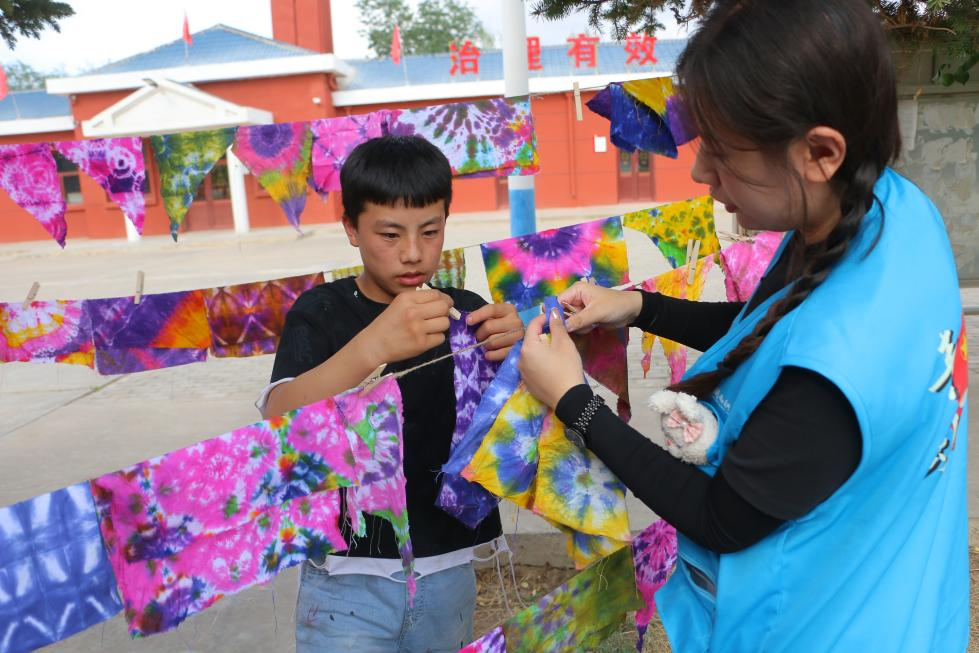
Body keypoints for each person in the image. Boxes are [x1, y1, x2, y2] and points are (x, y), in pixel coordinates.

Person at [517, 1, 969, 650]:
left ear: (819, 152)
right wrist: (638, 307)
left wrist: (573, 401)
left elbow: (719, 517)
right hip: (899, 598)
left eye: (722, 153)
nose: (700, 173)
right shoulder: (893, 211)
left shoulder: (834, 376)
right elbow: (774, 328)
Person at [258, 135, 523, 652]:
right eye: (389, 234)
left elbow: (515, 427)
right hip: (344, 585)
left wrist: (518, 355)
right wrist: (372, 346)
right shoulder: (321, 312)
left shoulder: (466, 313)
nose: (413, 252)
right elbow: (278, 418)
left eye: (431, 231)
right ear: (351, 229)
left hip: (448, 573)